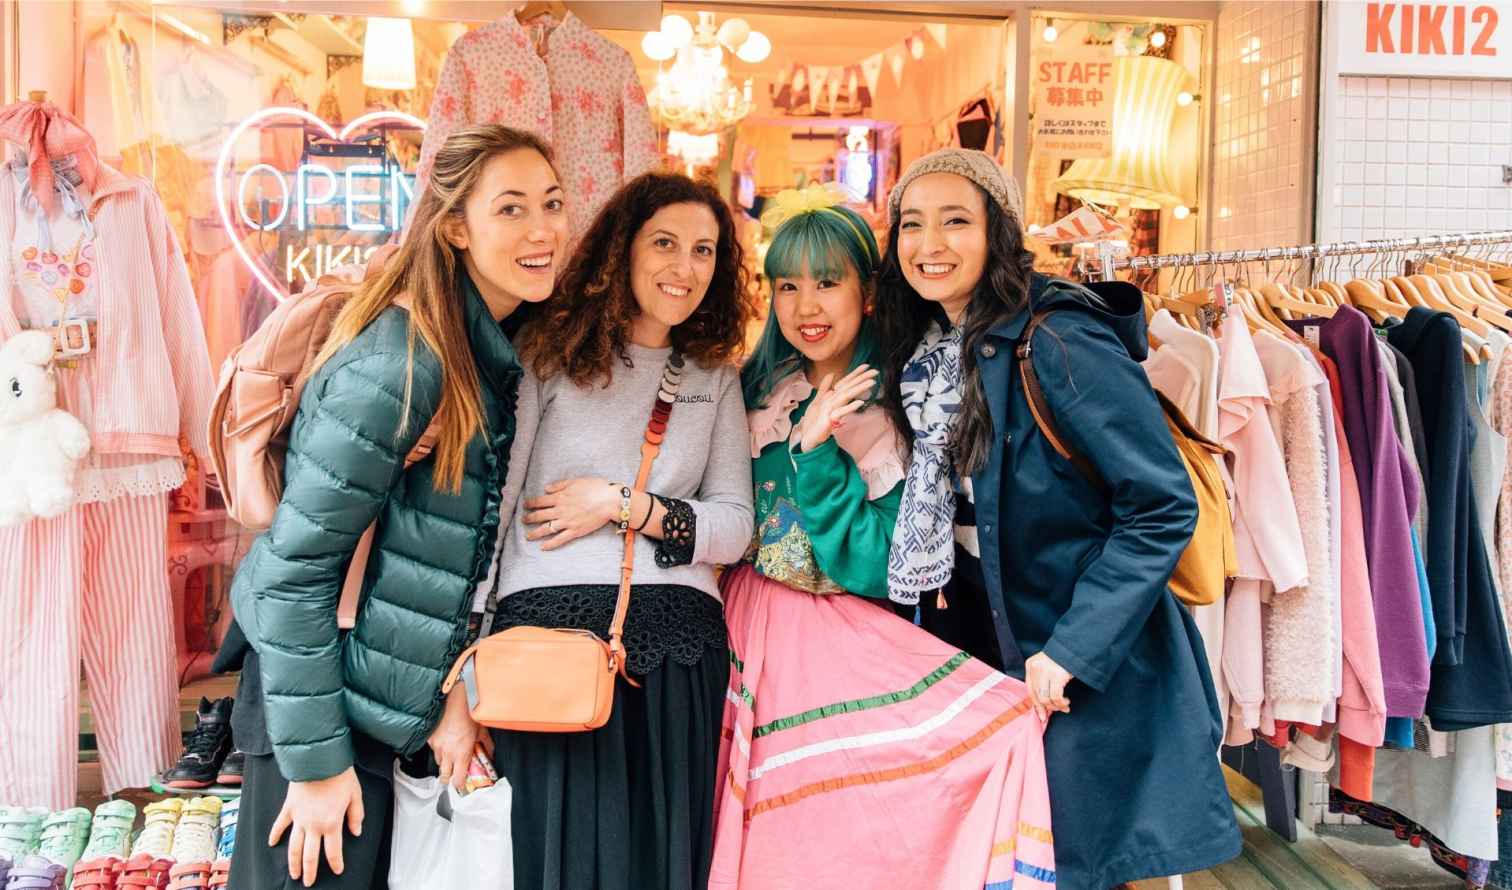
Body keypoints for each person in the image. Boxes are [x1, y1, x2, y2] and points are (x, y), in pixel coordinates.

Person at [876, 148, 1241, 890]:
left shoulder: (1056, 338)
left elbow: (1161, 504)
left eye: (955, 221)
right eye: (911, 225)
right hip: (990, 640)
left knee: (1074, 865)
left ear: (1000, 232)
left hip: (1081, 660)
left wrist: (1073, 648)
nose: (928, 245)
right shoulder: (928, 352)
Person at [224, 124, 568, 889]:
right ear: (454, 226)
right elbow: (291, 574)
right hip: (320, 711)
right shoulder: (403, 362)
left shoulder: (481, 346)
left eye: (551, 203)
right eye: (510, 209)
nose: (543, 229)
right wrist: (315, 768)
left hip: (378, 704)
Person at [709, 184, 1056, 890]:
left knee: (826, 843)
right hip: (736, 633)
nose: (806, 307)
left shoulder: (907, 408)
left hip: (840, 642)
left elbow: (877, 563)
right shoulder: (752, 387)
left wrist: (816, 453)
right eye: (787, 286)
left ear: (867, 291)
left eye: (828, 283)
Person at [487, 172, 755, 890]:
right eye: (664, 243)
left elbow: (735, 528)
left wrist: (622, 503)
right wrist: (464, 665)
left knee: (659, 861)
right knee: (553, 859)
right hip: (546, 635)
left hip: (676, 650)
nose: (685, 267)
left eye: (704, 250)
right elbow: (499, 508)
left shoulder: (712, 376)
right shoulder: (545, 356)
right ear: (621, 252)